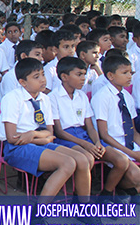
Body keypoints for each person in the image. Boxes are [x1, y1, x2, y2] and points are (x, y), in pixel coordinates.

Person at [0, 58, 90, 208]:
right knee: (68, 163)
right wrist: (40, 139)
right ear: (22, 82)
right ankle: (38, 211)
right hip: (16, 148)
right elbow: (12, 138)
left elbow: (50, 133)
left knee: (82, 159)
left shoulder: (45, 99)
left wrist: (32, 135)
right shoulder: (12, 99)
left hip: (36, 142)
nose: (42, 80)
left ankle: (83, 207)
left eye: (42, 74)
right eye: (36, 77)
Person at [50, 57, 130, 201]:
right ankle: (81, 200)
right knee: (87, 158)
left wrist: (97, 142)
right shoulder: (53, 97)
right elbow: (59, 131)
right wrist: (86, 145)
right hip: (66, 138)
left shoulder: (82, 96)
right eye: (79, 74)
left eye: (84, 74)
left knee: (121, 160)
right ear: (64, 77)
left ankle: (105, 194)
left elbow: (90, 127)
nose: (83, 78)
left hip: (84, 134)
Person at [92, 55, 140, 200]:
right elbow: (104, 134)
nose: (129, 76)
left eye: (130, 73)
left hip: (129, 143)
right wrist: (131, 153)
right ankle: (109, 193)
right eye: (125, 73)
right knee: (135, 175)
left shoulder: (127, 96)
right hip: (112, 145)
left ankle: (128, 193)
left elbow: (134, 130)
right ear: (111, 76)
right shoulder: (102, 97)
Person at [43, 29, 77, 94]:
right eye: (66, 47)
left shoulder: (77, 66)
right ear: (55, 50)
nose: (71, 50)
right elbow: (46, 91)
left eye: (72, 46)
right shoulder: (49, 69)